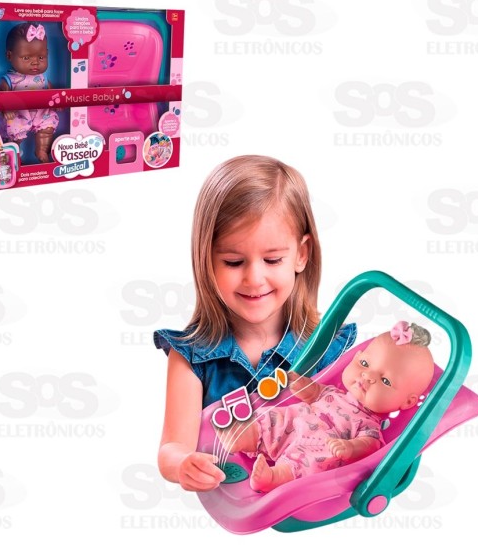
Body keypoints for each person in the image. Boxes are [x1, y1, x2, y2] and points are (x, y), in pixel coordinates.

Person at [154, 155, 357, 491]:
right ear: (206, 259)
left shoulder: (326, 347)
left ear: (301, 255)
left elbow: (357, 419)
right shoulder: (191, 357)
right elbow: (172, 447)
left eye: (272, 259)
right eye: (233, 262)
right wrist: (182, 464)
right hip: (233, 508)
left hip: (316, 499)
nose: (254, 278)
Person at [218, 322, 435, 492]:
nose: (367, 376)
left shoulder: (369, 425)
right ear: (356, 357)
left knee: (315, 462)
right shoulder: (334, 392)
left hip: (317, 446)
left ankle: (274, 477)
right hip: (293, 425)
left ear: (407, 402)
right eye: (365, 364)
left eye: (385, 381)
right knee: (273, 417)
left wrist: (350, 448)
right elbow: (314, 393)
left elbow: (369, 446)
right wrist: (301, 384)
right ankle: (246, 435)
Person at [0, 22, 59, 163]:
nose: (35, 62)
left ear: (47, 54)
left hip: (41, 113)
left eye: (41, 57)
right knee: (13, 136)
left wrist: (58, 102)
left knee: (47, 128)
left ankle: (42, 150)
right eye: (26, 58)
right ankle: (14, 156)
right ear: (9, 56)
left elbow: (54, 93)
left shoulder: (43, 78)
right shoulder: (9, 80)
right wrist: (5, 108)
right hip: (18, 115)